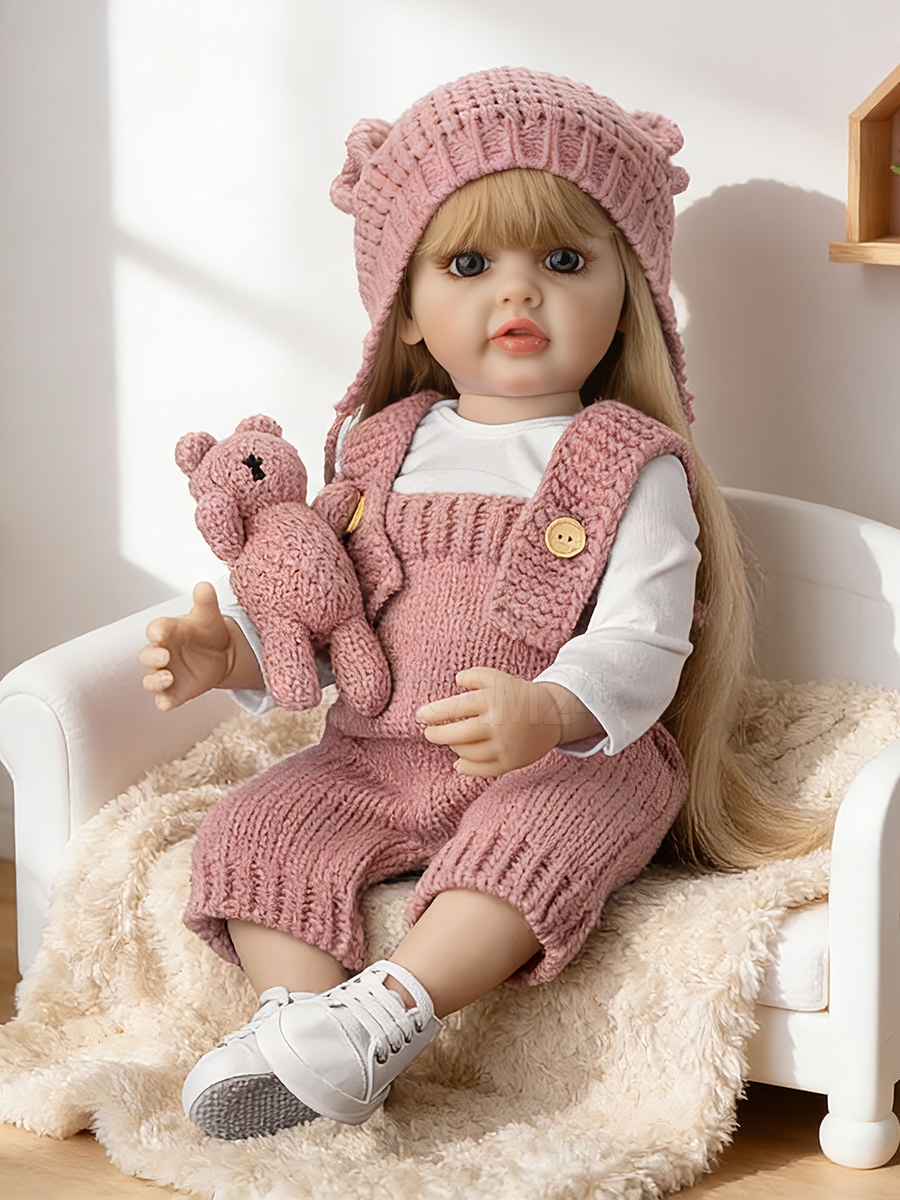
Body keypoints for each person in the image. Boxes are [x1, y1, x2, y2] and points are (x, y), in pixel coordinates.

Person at [139, 67, 818, 1142]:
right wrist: (236, 655)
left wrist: (551, 710)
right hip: (377, 753)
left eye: (564, 261)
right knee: (258, 827)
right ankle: (300, 1026)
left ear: (628, 296)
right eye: (469, 264)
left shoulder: (632, 463)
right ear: (405, 307)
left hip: (567, 760)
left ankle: (389, 1009)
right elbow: (335, 619)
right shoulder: (377, 450)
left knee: (533, 845)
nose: (519, 295)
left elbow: (643, 641)